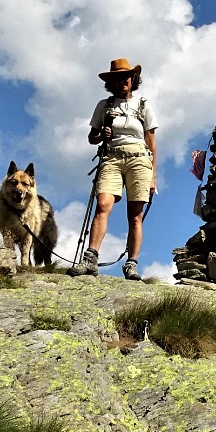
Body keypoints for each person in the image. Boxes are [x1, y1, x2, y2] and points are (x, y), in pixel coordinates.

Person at [69, 58, 158, 279]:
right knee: (103, 204)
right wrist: (103, 134)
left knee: (135, 215)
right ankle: (91, 258)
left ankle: (132, 264)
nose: (122, 82)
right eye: (117, 79)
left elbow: (152, 143)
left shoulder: (144, 105)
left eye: (126, 77)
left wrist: (153, 177)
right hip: (112, 157)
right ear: (112, 83)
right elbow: (92, 138)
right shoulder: (104, 105)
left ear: (133, 79)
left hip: (139, 159)